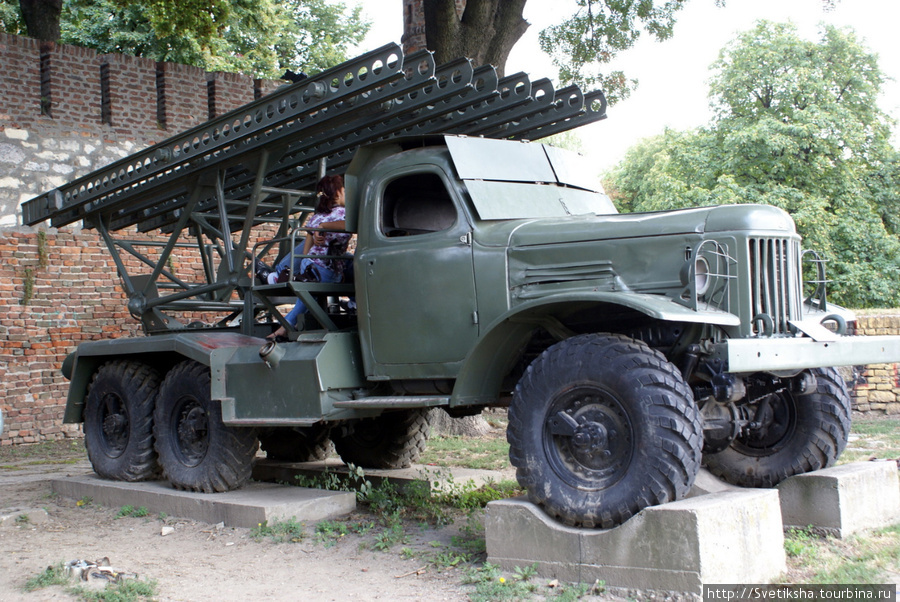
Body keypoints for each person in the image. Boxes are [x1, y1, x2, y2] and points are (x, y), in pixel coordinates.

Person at [255, 174, 351, 339]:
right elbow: (350, 225)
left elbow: (304, 251)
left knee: (307, 295)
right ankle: (283, 327)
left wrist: (318, 231)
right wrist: (322, 229)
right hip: (327, 269)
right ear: (338, 192)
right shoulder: (343, 213)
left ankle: (278, 277)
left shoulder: (318, 216)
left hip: (311, 265)